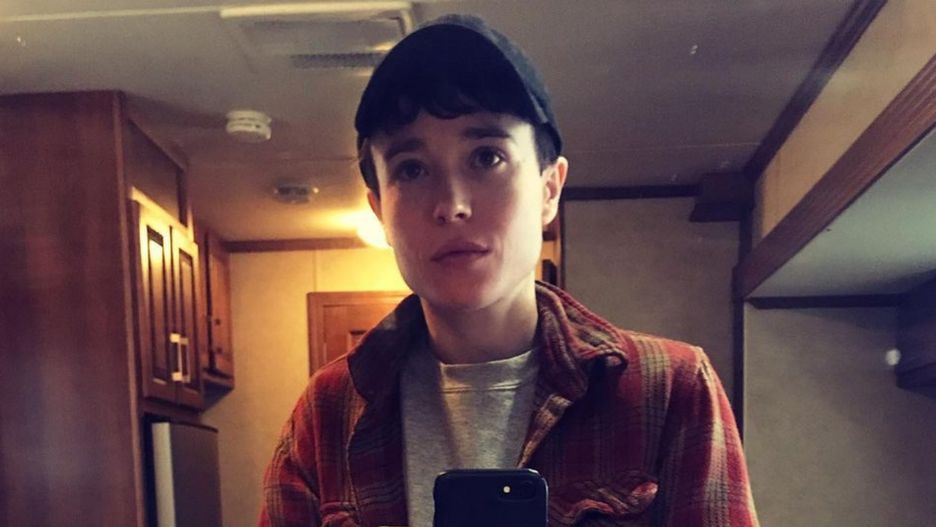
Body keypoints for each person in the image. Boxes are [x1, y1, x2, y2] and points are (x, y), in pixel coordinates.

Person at [260, 14, 758, 527]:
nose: (451, 205)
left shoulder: (670, 391)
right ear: (379, 209)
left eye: (486, 157)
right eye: (411, 169)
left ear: (549, 189)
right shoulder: (325, 414)